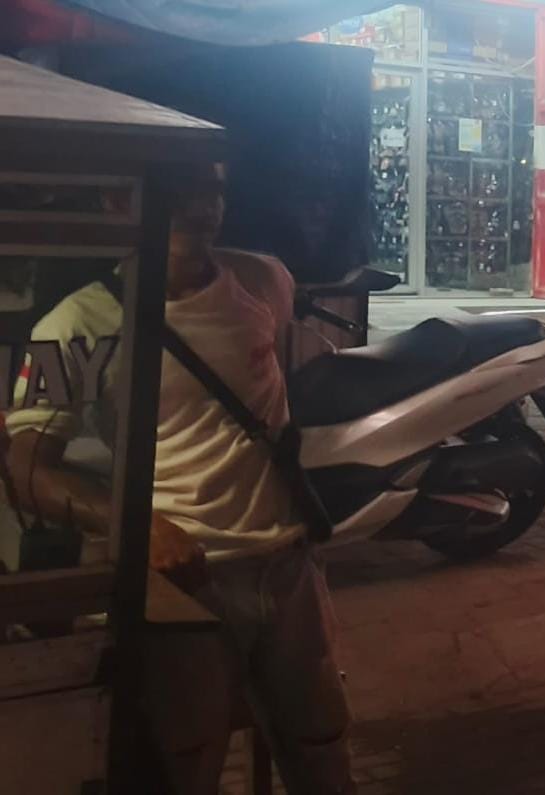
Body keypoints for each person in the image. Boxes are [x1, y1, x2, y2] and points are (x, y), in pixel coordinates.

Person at [3, 165, 355, 795]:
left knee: (322, 746)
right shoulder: (75, 325)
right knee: (184, 762)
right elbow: (27, 468)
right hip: (184, 587)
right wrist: (138, 528)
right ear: (118, 199)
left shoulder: (262, 281)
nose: (204, 205)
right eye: (182, 188)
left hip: (288, 567)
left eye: (215, 188)